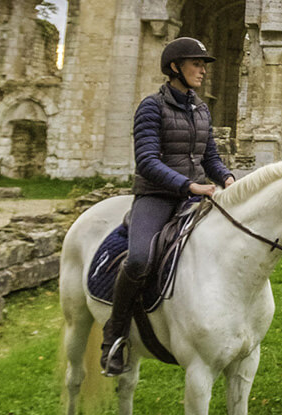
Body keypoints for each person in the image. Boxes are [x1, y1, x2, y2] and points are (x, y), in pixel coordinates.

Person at [100, 37, 235, 376]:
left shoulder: (201, 108)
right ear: (175, 67)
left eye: (204, 64)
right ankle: (113, 335)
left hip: (195, 196)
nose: (203, 70)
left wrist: (229, 179)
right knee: (140, 259)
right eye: (196, 63)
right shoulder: (151, 107)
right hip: (156, 197)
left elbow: (210, 157)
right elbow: (146, 161)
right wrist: (187, 185)